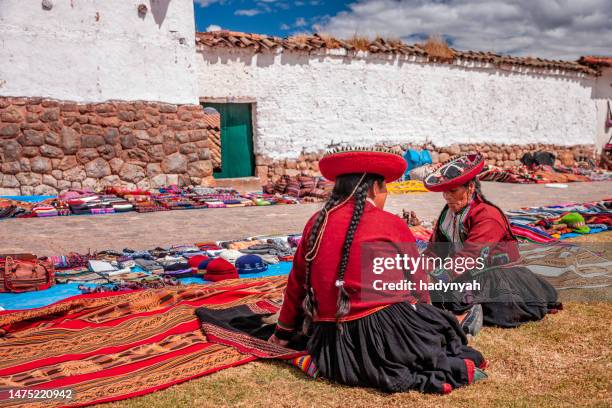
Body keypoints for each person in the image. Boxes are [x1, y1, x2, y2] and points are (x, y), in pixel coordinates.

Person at [269, 147, 486, 394]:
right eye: (384, 188)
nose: (386, 195)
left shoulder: (316, 222)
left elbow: (297, 284)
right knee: (444, 324)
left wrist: (282, 334)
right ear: (373, 188)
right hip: (388, 339)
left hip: (333, 348)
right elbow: (419, 287)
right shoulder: (391, 223)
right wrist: (426, 322)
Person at [423, 153, 562, 328]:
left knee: (463, 298)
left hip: (497, 275)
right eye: (445, 192)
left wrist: (433, 280)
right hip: (465, 273)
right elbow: (434, 251)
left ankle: (470, 313)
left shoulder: (487, 215)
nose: (447, 197)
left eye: (453, 191)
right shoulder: (448, 215)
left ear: (471, 188)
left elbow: (470, 256)